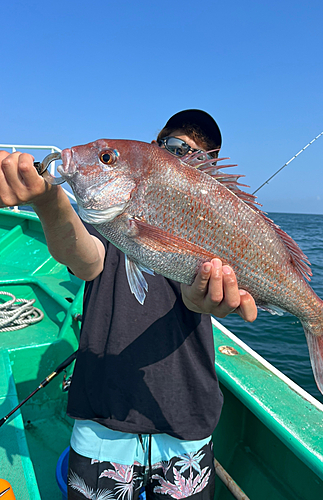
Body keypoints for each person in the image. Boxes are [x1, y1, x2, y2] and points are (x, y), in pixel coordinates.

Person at [0, 109, 257, 500]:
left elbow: (210, 293)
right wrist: (50, 201)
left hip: (186, 416)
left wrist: (206, 301)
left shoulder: (211, 218)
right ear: (154, 147)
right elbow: (86, 259)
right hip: (105, 414)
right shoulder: (110, 216)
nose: (185, 156)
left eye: (201, 156)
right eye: (175, 146)